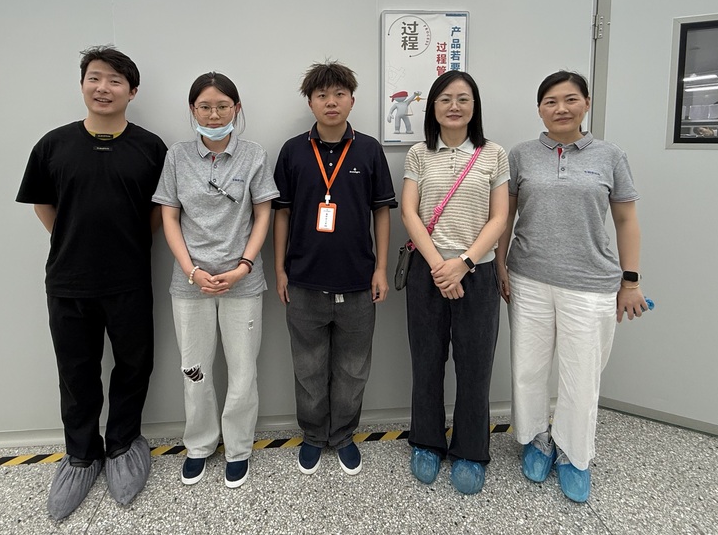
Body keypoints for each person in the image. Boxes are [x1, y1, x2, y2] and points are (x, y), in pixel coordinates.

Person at [16, 46, 167, 520]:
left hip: (129, 280)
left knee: (134, 365)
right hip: (68, 281)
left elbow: (160, 213)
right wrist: (72, 241)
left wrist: (125, 245)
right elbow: (43, 205)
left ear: (132, 91)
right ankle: (81, 454)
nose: (103, 88)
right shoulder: (53, 145)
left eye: (115, 81)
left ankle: (123, 443)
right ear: (82, 84)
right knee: (75, 372)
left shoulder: (151, 148)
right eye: (95, 78)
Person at [495, 70, 648, 504]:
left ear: (586, 103)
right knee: (528, 367)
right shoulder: (521, 155)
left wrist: (631, 280)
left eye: (570, 99)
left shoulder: (610, 155)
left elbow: (626, 220)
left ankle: (573, 454)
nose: (560, 109)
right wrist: (500, 265)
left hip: (590, 283)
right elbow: (505, 215)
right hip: (528, 278)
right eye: (550, 102)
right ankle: (535, 438)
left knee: (581, 375)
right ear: (539, 109)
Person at [152, 72, 278, 489]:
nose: (214, 114)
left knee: (243, 371)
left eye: (223, 106)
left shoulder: (254, 154)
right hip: (191, 283)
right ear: (192, 110)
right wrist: (191, 270)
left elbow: (263, 212)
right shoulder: (177, 156)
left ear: (236, 109)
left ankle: (238, 448)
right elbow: (169, 215)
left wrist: (244, 265)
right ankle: (200, 444)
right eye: (205, 106)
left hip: (242, 281)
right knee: (194, 369)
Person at [273, 60, 397, 477]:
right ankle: (312, 435)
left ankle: (343, 436)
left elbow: (382, 212)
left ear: (352, 101)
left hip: (359, 282)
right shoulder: (293, 151)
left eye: (339, 94)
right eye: (322, 95)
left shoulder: (369, 150)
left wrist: (380, 268)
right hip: (304, 281)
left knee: (353, 369)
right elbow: (281, 213)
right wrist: (280, 269)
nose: (331, 102)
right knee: (307, 368)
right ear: (310, 102)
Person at [400, 70, 509, 495]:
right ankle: (426, 442)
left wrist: (463, 263)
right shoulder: (418, 154)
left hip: (477, 273)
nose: (454, 106)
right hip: (428, 273)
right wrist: (439, 266)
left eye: (463, 99)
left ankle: (470, 451)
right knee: (426, 362)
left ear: (474, 106)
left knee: (475, 366)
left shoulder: (493, 154)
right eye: (445, 99)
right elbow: (409, 213)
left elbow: (499, 218)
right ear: (433, 107)